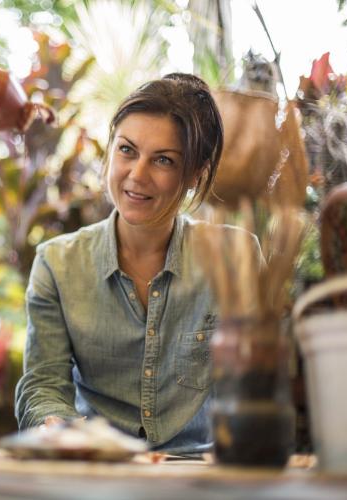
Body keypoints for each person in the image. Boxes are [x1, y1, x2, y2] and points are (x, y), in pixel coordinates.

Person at [15, 73, 256, 454]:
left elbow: (256, 385)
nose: (137, 175)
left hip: (202, 472)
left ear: (195, 174)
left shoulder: (235, 257)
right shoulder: (57, 264)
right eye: (127, 150)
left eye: (163, 160)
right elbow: (43, 385)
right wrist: (59, 429)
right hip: (96, 466)